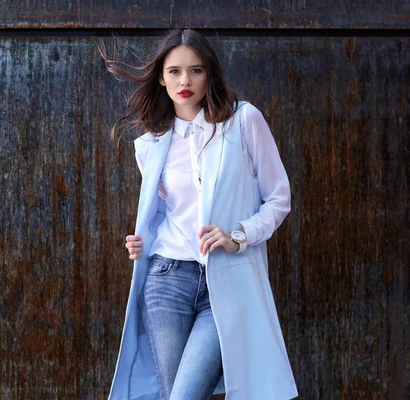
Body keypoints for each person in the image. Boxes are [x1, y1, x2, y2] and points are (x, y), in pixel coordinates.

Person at [100, 29, 299, 399]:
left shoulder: (243, 121)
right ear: (161, 77)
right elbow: (169, 213)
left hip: (227, 279)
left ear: (210, 74)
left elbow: (278, 198)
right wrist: (142, 239)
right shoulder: (150, 144)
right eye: (174, 71)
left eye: (195, 70)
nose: (185, 81)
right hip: (166, 279)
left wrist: (238, 236)